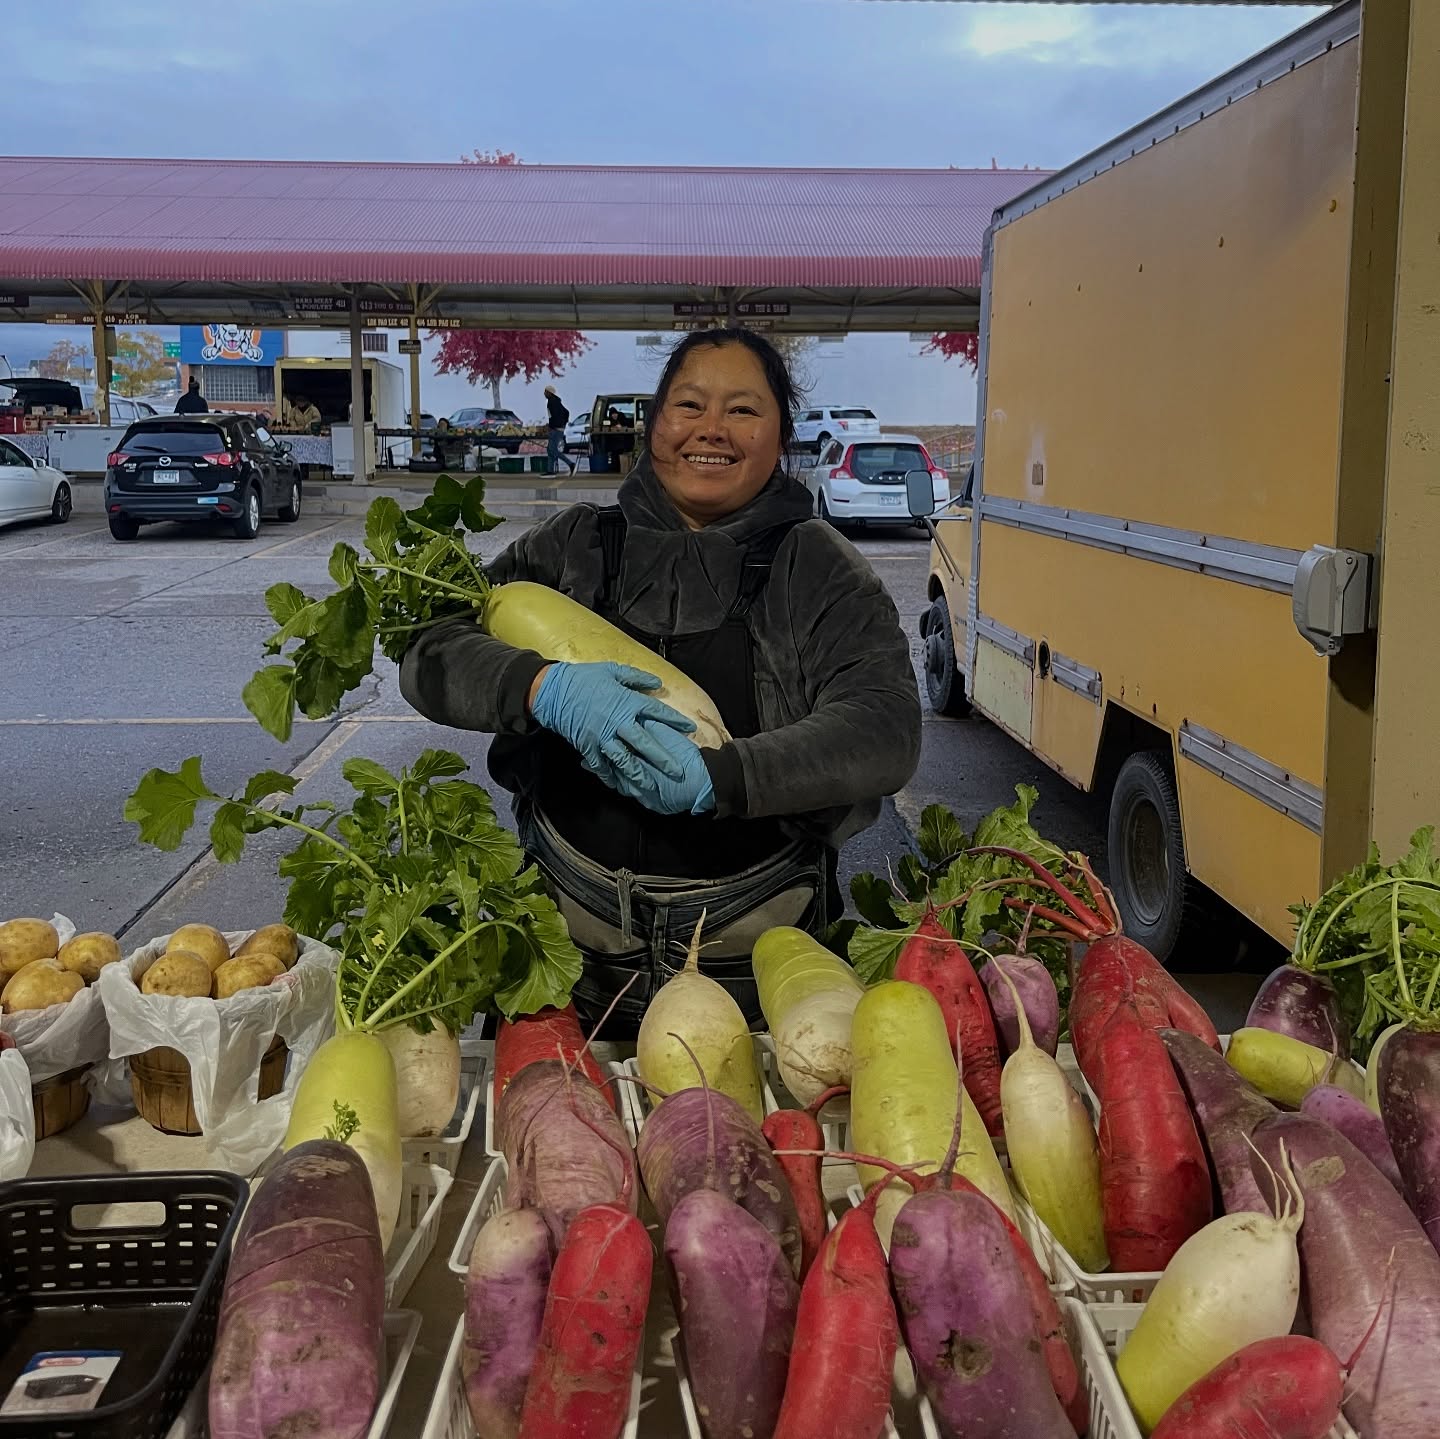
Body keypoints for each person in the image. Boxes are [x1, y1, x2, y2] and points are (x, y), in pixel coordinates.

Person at [399, 328, 921, 1033]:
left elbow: (885, 725)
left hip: (760, 959)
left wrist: (728, 776)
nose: (711, 429)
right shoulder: (575, 543)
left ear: (781, 433)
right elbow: (429, 651)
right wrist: (539, 685)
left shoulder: (819, 565)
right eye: (689, 405)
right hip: (563, 950)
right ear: (654, 424)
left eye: (742, 410)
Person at [544, 385, 575, 476]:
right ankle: (550, 470)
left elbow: (553, 417)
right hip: (559, 428)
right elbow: (566, 412)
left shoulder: (552, 402)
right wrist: (564, 423)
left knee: (553, 450)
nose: (544, 393)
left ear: (550, 393)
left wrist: (552, 426)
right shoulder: (557, 401)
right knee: (550, 450)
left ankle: (570, 464)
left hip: (555, 429)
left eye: (545, 391)